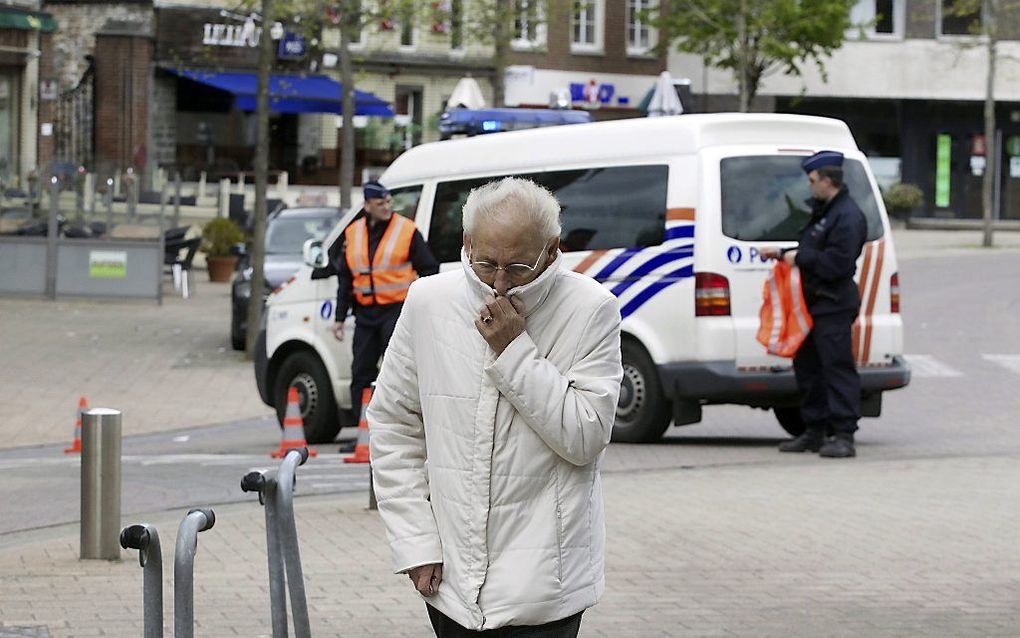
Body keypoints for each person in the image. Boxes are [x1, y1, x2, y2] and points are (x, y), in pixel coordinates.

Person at [367, 177, 624, 636]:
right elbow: (393, 424)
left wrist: (514, 350)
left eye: (519, 266)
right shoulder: (429, 301)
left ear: (551, 249)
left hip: (547, 586)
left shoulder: (591, 309)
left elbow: (585, 438)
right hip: (451, 582)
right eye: (486, 263)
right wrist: (414, 540)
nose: (500, 283)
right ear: (466, 244)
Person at [761, 150, 868, 458]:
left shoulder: (847, 216)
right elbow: (812, 249)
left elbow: (838, 264)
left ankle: (844, 435)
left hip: (833, 304)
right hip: (811, 306)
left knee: (836, 368)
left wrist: (797, 257)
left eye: (812, 180)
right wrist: (783, 253)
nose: (809, 186)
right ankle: (814, 431)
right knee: (808, 369)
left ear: (827, 180)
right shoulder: (825, 211)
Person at [332, 180, 438, 423]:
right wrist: (339, 318)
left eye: (389, 202)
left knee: (398, 372)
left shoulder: (407, 231)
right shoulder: (353, 233)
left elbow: (429, 269)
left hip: (396, 312)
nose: (387, 207)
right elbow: (345, 280)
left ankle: (400, 428)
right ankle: (363, 432)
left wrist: (420, 305)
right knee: (360, 372)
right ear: (367, 206)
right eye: (380, 203)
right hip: (365, 315)